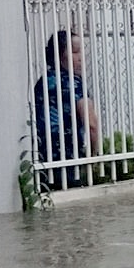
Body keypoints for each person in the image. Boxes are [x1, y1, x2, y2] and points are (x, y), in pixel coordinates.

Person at [32, 30, 100, 189]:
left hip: (42, 159)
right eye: (75, 52)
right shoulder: (75, 84)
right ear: (59, 55)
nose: (81, 57)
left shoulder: (42, 82)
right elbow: (92, 125)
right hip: (68, 158)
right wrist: (94, 155)